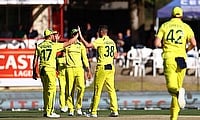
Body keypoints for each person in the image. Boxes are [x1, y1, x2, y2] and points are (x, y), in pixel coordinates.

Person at [154, 6, 196, 120]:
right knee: (176, 91)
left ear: (171, 15)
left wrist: (165, 46)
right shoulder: (186, 27)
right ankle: (174, 118)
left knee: (172, 88)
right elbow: (194, 43)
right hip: (181, 58)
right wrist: (186, 50)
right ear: (181, 15)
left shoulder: (165, 25)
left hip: (170, 57)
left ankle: (179, 92)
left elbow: (157, 43)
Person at [32, 28, 78, 118]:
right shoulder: (54, 45)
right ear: (50, 36)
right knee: (52, 91)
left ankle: (46, 110)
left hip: (42, 69)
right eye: (53, 34)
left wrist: (34, 71)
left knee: (45, 91)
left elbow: (35, 59)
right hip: (50, 69)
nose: (54, 36)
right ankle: (50, 112)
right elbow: (68, 43)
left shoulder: (40, 45)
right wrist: (77, 36)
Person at [78, 25, 119, 117]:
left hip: (102, 67)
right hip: (111, 67)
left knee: (97, 90)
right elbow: (116, 56)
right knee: (111, 90)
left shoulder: (100, 40)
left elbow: (88, 45)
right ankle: (115, 110)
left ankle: (93, 112)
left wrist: (80, 36)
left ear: (101, 32)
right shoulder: (112, 42)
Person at [65, 28, 92, 116]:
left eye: (77, 34)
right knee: (69, 89)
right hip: (69, 68)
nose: (75, 36)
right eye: (74, 34)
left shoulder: (81, 45)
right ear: (72, 35)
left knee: (81, 87)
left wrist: (88, 70)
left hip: (79, 69)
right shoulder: (67, 45)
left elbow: (84, 58)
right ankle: (71, 108)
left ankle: (79, 107)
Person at [54, 31, 68, 113]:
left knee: (68, 91)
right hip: (61, 76)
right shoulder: (58, 57)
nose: (63, 52)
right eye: (62, 51)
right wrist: (56, 41)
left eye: (64, 51)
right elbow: (54, 50)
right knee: (62, 91)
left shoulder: (69, 57)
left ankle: (69, 105)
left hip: (69, 75)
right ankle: (62, 106)